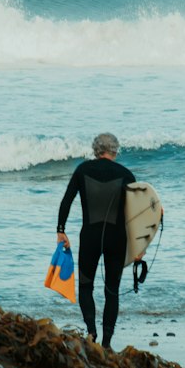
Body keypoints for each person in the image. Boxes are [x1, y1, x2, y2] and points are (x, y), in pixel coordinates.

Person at [57, 132, 135, 350]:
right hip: (117, 239)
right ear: (116, 150)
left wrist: (61, 230)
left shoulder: (82, 170)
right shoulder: (126, 174)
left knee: (85, 286)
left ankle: (91, 334)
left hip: (90, 237)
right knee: (112, 290)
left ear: (95, 149)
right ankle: (107, 343)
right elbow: (137, 214)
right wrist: (139, 247)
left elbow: (66, 201)